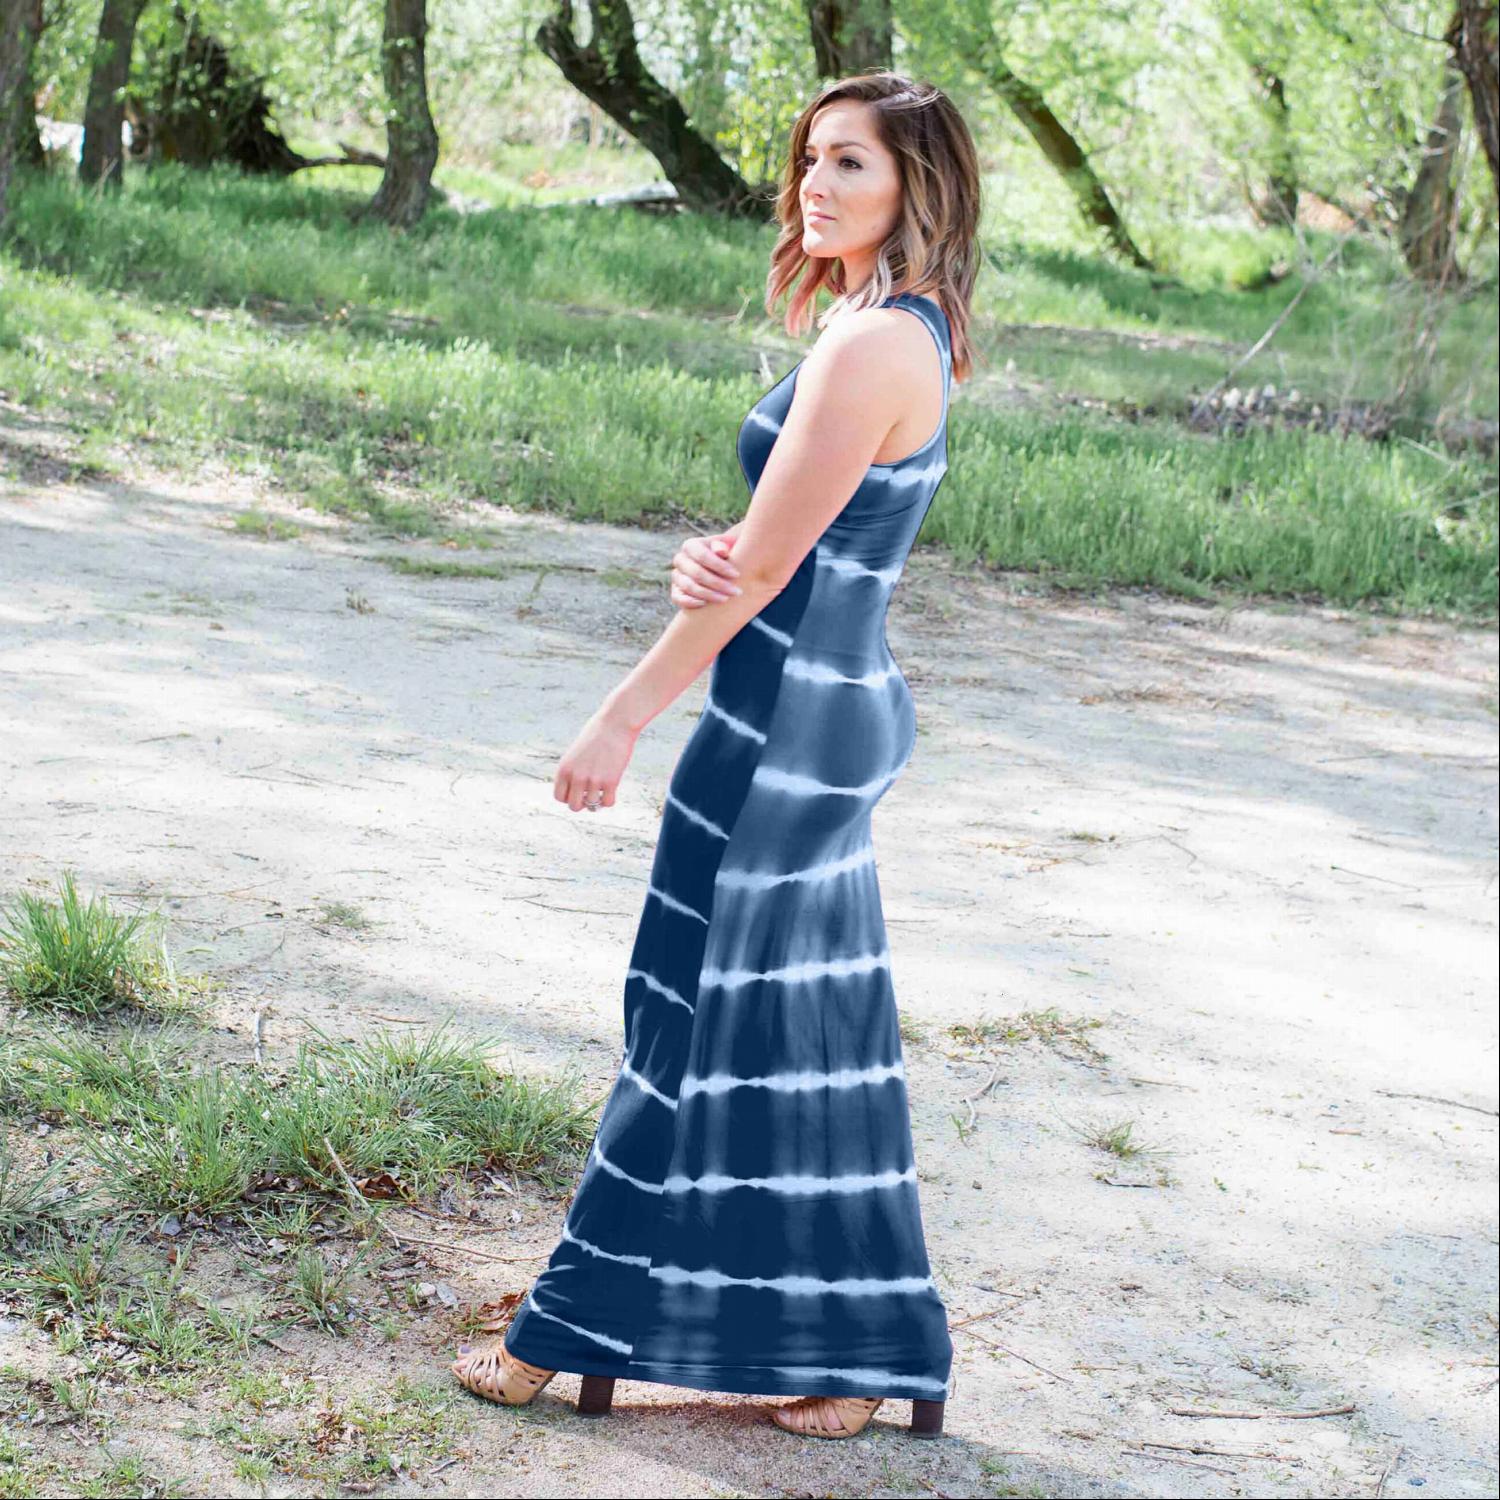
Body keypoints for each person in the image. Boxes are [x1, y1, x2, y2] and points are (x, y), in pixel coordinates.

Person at [451, 68, 981, 1441]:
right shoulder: (898, 325)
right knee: (801, 1038)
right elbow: (783, 546)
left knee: (688, 1018)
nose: (816, 185)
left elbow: (764, 571)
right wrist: (729, 555)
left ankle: (567, 1332)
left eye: (852, 163)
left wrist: (622, 714)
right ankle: (854, 1347)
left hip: (784, 729)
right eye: (811, 159)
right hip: (821, 705)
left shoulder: (875, 345)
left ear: (916, 185)